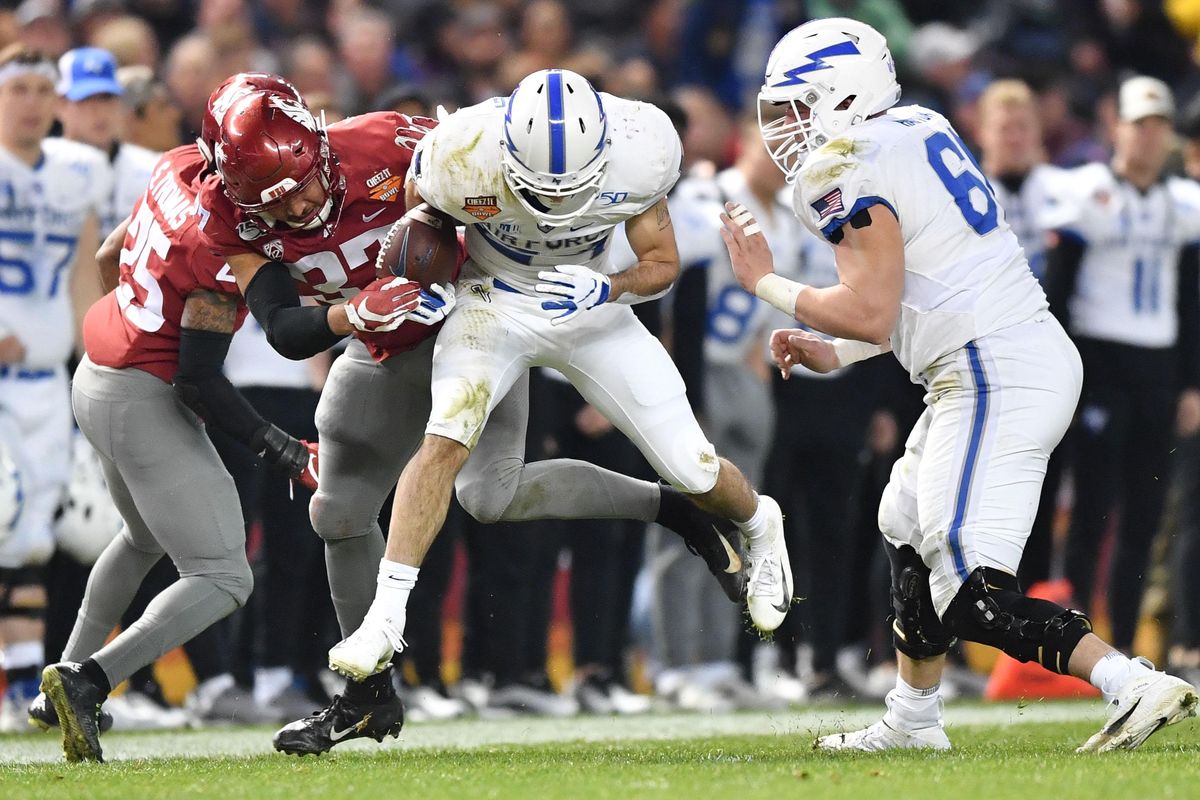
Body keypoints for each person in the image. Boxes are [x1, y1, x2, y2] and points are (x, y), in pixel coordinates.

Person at [200, 83, 746, 753]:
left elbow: (503, 173)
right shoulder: (226, 212)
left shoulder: (388, 142)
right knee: (335, 514)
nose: (299, 205)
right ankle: (366, 696)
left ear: (317, 142)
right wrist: (355, 313)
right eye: (273, 200)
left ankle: (675, 509)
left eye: (302, 184)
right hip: (383, 341)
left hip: (476, 324)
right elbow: (284, 329)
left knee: (491, 494)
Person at [720, 17, 1197, 752]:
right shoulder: (915, 125)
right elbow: (920, 293)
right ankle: (914, 717)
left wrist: (768, 284)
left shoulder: (844, 162)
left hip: (991, 371)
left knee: (970, 589)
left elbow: (875, 309)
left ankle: (1131, 681)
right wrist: (836, 352)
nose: (787, 126)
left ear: (847, 96)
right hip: (1001, 357)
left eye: (800, 103)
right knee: (903, 524)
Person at [327, 68, 791, 685]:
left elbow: (662, 264)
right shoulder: (460, 152)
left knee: (693, 468)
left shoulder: (643, 146)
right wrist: (428, 277)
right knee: (445, 439)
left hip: (594, 307)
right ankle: (384, 619)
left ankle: (762, 523)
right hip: (491, 300)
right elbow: (419, 221)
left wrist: (610, 286)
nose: (552, 206)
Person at [35, 79, 322, 764]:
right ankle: (88, 680)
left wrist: (139, 325)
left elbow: (110, 255)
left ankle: (57, 684)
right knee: (224, 576)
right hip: (140, 393)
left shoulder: (175, 166)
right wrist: (280, 447)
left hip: (96, 371)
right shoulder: (221, 249)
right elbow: (198, 381)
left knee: (140, 537)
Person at [1043, 76, 1200, 655]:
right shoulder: (1087, 195)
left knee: (1145, 511)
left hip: (1156, 366)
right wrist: (1065, 372)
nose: (1151, 136)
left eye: (1160, 125)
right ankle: (1080, 646)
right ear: (1117, 127)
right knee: (1092, 506)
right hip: (1099, 361)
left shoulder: (1182, 205)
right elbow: (1057, 290)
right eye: (1141, 123)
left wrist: (1189, 382)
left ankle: (1130, 646)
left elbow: (1188, 299)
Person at [0, 44, 110, 733]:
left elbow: (81, 276)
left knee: (34, 537)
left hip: (44, 380)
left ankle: (20, 689)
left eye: (46, 88)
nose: (34, 101)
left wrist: (92, 356)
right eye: (20, 88)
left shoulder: (77, 174)